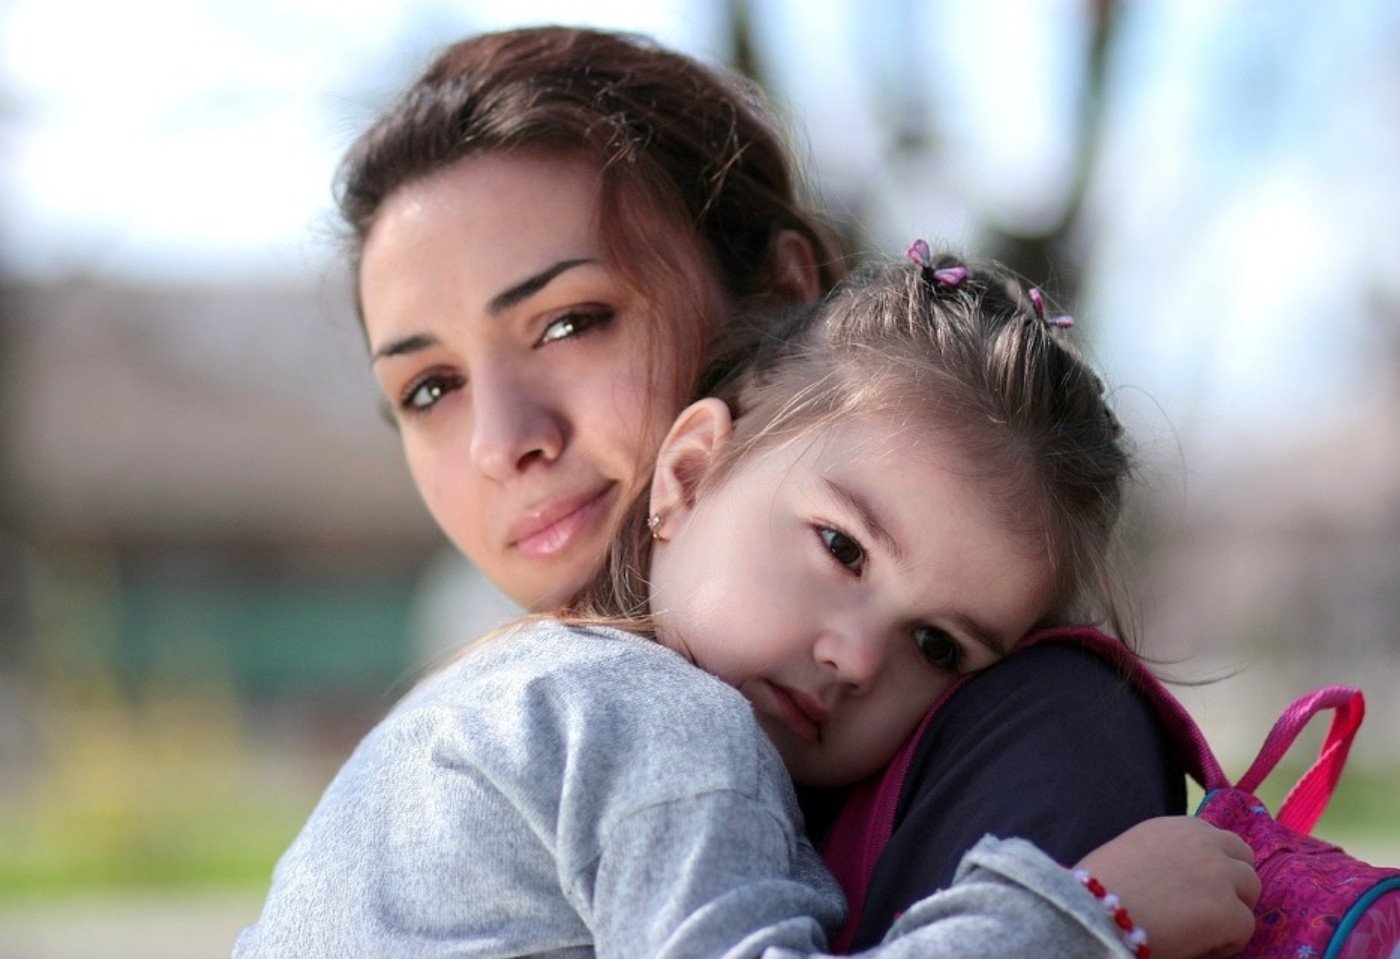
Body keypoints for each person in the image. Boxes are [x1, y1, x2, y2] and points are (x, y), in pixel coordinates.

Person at [337, 25, 1186, 947]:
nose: (505, 441)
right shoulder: (609, 719)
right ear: (689, 470)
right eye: (429, 388)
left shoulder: (1035, 726)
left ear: (783, 295)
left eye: (570, 322)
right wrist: (1073, 921)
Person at [235, 252, 1259, 958]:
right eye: (840, 545)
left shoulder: (520, 691)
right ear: (685, 475)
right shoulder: (651, 718)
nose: (859, 657)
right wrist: (1084, 915)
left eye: (936, 644)